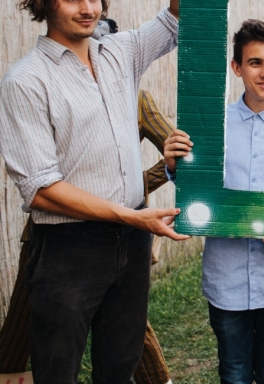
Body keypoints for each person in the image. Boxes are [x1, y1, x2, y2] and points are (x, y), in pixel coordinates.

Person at [0, 0, 188, 384]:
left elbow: (175, 19)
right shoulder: (26, 81)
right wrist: (131, 216)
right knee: (56, 371)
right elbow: (41, 189)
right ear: (45, 3)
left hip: (131, 241)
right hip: (69, 248)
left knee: (118, 368)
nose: (88, 8)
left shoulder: (119, 52)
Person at [165, 20, 264, 384]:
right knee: (234, 373)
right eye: (255, 62)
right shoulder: (212, 124)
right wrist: (175, 166)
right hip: (227, 275)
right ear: (237, 67)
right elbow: (195, 190)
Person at [0, 86, 177, 384]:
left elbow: (180, 152)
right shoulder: (43, 90)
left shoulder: (134, 96)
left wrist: (137, 184)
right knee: (22, 320)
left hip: (120, 233)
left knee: (127, 330)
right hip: (53, 233)